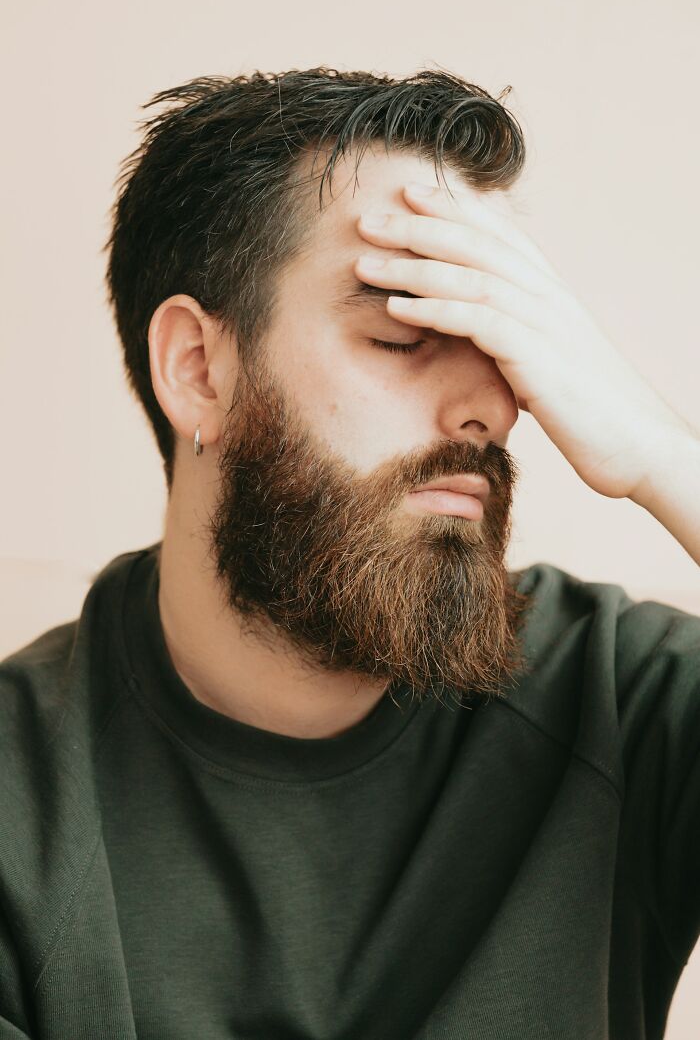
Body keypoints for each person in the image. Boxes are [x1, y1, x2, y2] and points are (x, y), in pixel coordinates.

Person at [1, 67, 698, 1040]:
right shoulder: (17, 804)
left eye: (504, 342)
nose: (495, 408)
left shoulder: (620, 698)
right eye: (405, 332)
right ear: (199, 370)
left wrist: (665, 457)